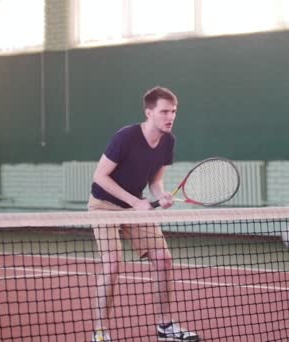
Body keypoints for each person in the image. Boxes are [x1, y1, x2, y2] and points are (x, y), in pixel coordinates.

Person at [88, 86, 199, 342]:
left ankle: (165, 326)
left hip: (133, 206)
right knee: (113, 264)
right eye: (163, 112)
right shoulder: (125, 137)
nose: (169, 117)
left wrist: (160, 195)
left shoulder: (168, 140)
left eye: (173, 112)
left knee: (163, 259)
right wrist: (135, 202)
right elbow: (100, 176)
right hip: (103, 205)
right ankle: (100, 332)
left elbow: (155, 180)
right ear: (149, 112)